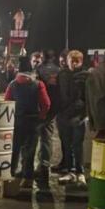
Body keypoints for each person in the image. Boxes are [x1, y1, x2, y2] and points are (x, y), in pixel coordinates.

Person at [5, 56, 51, 188]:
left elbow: (7, 102)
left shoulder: (13, 84)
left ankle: (10, 174)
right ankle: (27, 178)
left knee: (14, 149)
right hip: (33, 121)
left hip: (16, 121)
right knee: (30, 150)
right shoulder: (38, 84)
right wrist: (41, 117)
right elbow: (46, 104)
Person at [56, 50, 89, 186]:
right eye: (72, 60)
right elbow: (57, 94)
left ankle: (80, 173)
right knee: (66, 145)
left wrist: (83, 115)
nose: (74, 63)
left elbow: (89, 97)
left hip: (77, 117)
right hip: (63, 115)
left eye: (77, 61)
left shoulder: (85, 76)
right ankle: (70, 172)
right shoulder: (61, 74)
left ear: (81, 62)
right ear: (67, 60)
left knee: (77, 145)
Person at [36, 49, 61, 178]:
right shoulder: (58, 70)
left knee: (34, 137)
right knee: (47, 137)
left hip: (40, 108)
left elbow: (36, 90)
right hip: (53, 108)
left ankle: (31, 165)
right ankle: (45, 164)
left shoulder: (39, 69)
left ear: (43, 57)